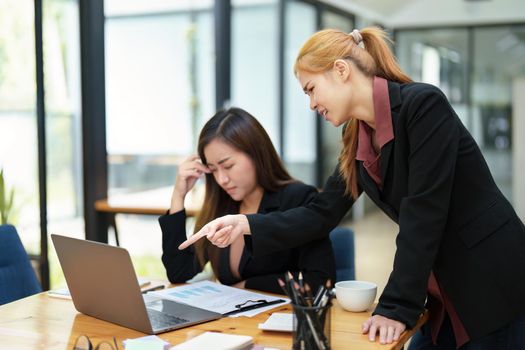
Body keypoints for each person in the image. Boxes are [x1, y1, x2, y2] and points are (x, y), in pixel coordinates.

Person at [178, 28, 525, 349]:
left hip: (491, 278)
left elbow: (424, 213)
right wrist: (247, 225)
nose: (311, 104)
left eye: (311, 89)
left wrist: (395, 306)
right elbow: (321, 212)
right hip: (441, 286)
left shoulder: (423, 106)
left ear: (341, 70)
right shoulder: (356, 137)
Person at [160, 107, 335, 295]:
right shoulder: (222, 204)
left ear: (256, 154)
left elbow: (320, 281)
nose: (221, 179)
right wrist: (178, 196)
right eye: (213, 169)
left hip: (283, 320)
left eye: (228, 165)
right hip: (233, 323)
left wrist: (246, 286)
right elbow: (178, 272)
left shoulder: (299, 198)